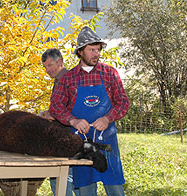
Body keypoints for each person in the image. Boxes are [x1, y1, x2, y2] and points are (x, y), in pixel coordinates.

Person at [49, 26, 130, 196]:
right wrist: (73, 121)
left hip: (107, 142)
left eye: (98, 49)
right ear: (80, 52)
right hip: (81, 145)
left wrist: (108, 119)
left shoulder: (109, 73)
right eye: (91, 49)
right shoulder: (68, 78)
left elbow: (123, 103)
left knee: (115, 189)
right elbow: (55, 106)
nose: (96, 53)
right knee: (85, 190)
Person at [41, 48, 79, 196]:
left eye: (50, 65)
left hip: (68, 135)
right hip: (65, 135)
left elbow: (75, 109)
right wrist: (51, 113)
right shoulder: (60, 80)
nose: (47, 70)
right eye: (45, 67)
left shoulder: (67, 80)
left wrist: (54, 116)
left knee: (61, 179)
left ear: (60, 62)